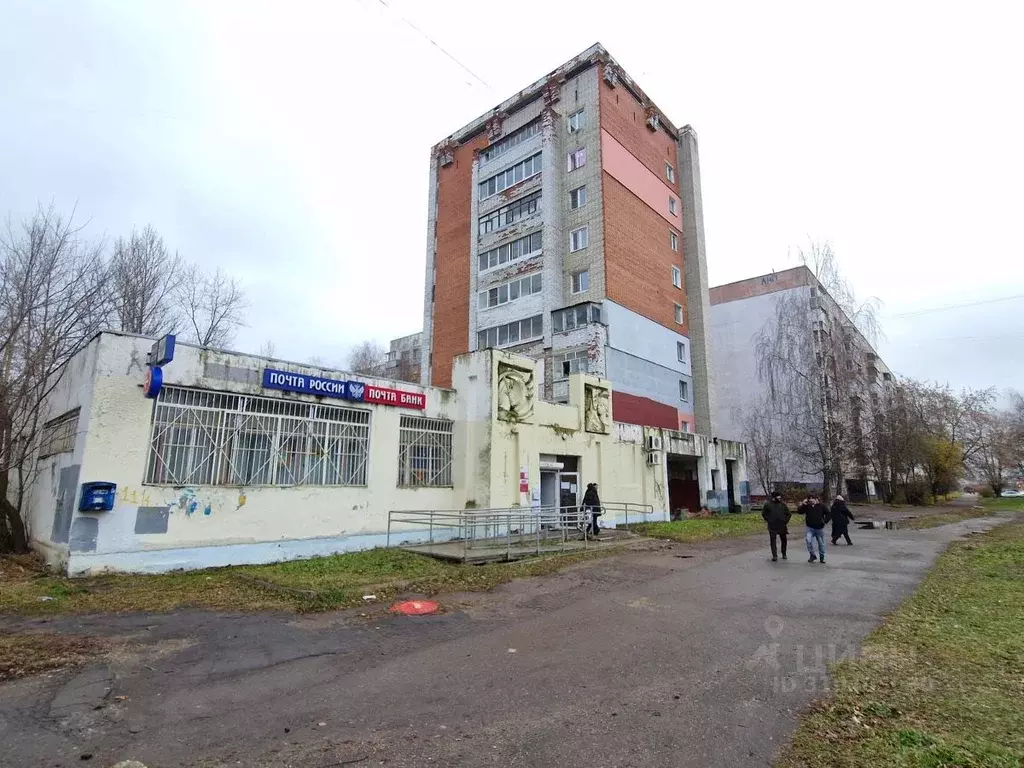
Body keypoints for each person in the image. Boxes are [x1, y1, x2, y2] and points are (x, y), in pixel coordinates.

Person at [796, 495, 831, 564]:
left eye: (812, 499)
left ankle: (822, 556)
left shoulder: (821, 506)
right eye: (809, 499)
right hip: (810, 528)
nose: (811, 500)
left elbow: (829, 514)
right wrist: (803, 504)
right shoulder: (807, 506)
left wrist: (825, 521)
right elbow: (799, 512)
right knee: (808, 540)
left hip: (819, 528)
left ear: (816, 499)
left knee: (821, 543)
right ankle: (812, 555)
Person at [761, 492, 791, 562]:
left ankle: (784, 553)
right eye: (778, 497)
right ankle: (774, 555)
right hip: (772, 526)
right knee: (773, 540)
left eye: (780, 497)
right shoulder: (767, 504)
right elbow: (764, 514)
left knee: (784, 540)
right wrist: (769, 520)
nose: (780, 499)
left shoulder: (783, 505)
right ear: (774, 498)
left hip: (782, 525)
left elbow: (789, 514)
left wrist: (785, 521)